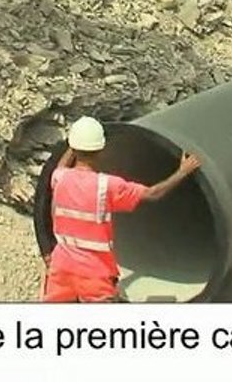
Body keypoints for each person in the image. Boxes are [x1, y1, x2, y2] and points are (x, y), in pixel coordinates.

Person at [42, 116, 201, 303]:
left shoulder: (60, 177)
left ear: (74, 148)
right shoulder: (107, 186)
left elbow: (61, 166)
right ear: (101, 150)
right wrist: (182, 171)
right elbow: (153, 194)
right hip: (94, 272)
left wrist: (73, 145)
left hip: (62, 267)